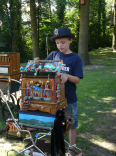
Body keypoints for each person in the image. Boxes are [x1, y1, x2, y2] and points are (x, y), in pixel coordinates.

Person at [45, 27, 83, 155]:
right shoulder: (53, 55)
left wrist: (67, 75)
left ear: (70, 40)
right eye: (57, 43)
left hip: (69, 98)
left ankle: (72, 148)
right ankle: (58, 146)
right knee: (57, 122)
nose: (59, 45)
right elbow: (44, 68)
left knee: (71, 123)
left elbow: (77, 79)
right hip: (55, 99)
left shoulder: (75, 58)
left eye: (63, 42)